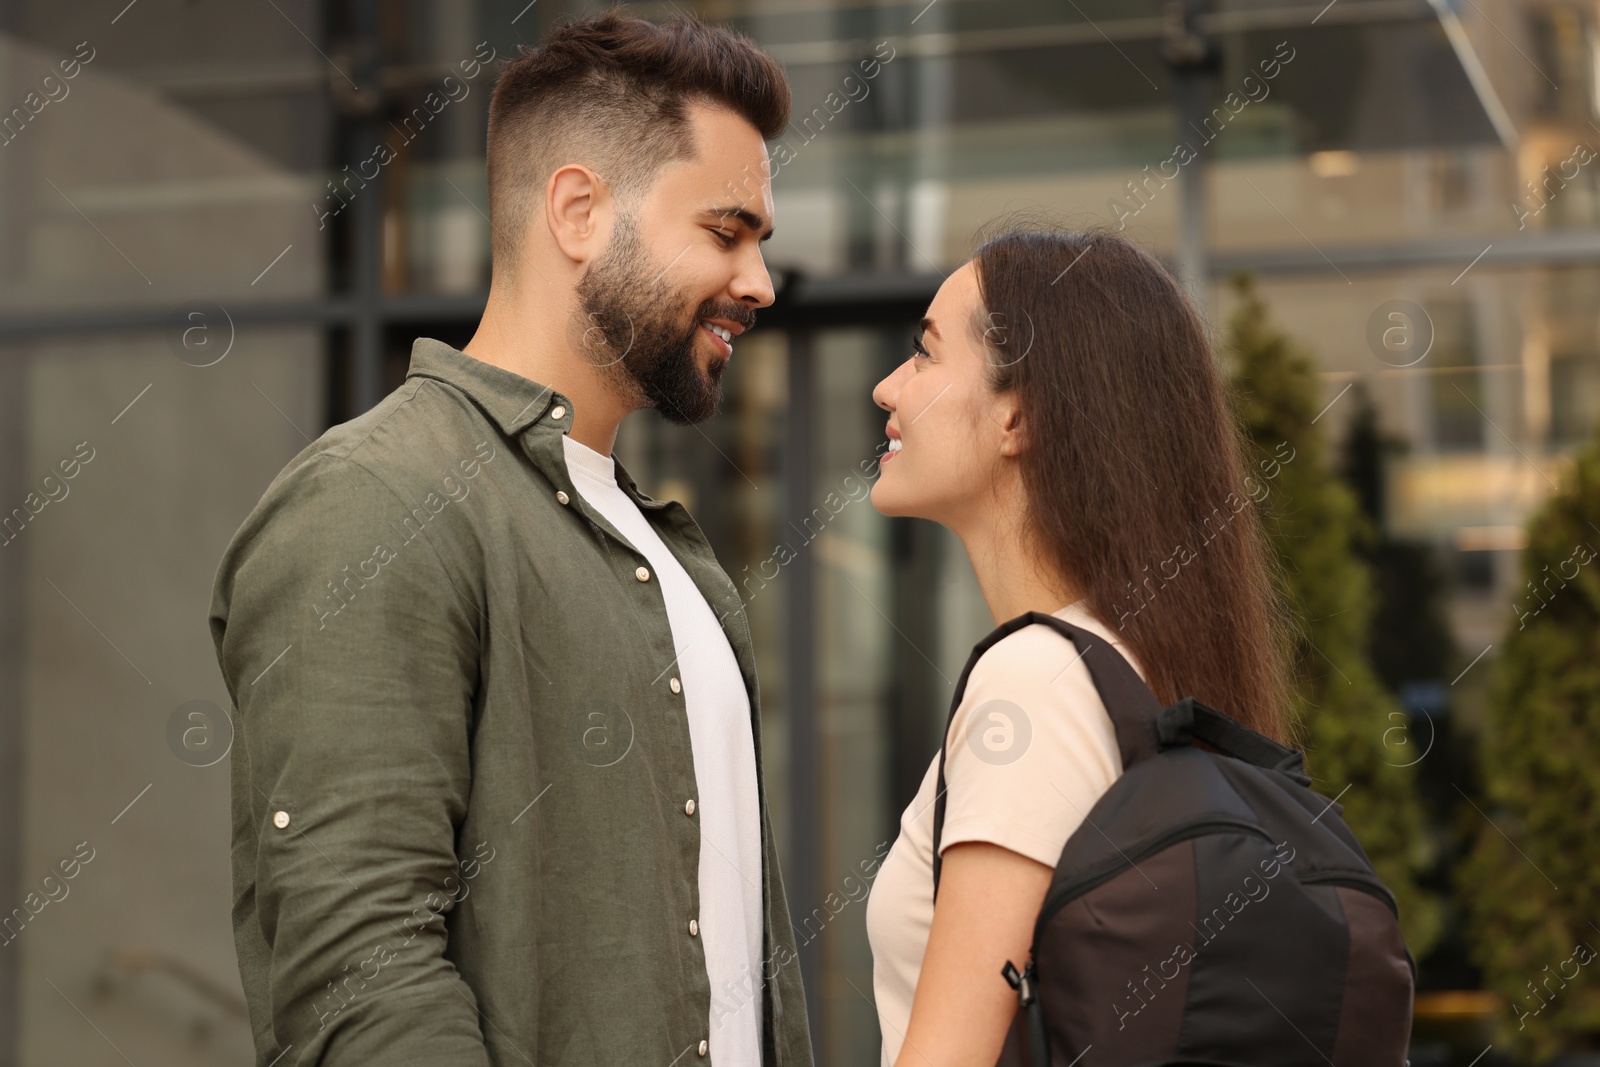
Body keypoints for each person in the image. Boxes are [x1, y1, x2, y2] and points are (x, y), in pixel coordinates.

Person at [207, 13, 813, 1066]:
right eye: (726, 232)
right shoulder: (377, 503)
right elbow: (362, 968)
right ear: (578, 210)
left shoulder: (661, 547)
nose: (759, 280)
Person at [863, 227, 1293, 1067]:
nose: (887, 386)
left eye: (924, 354)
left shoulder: (1034, 683)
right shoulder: (1138, 667)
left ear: (1018, 415)